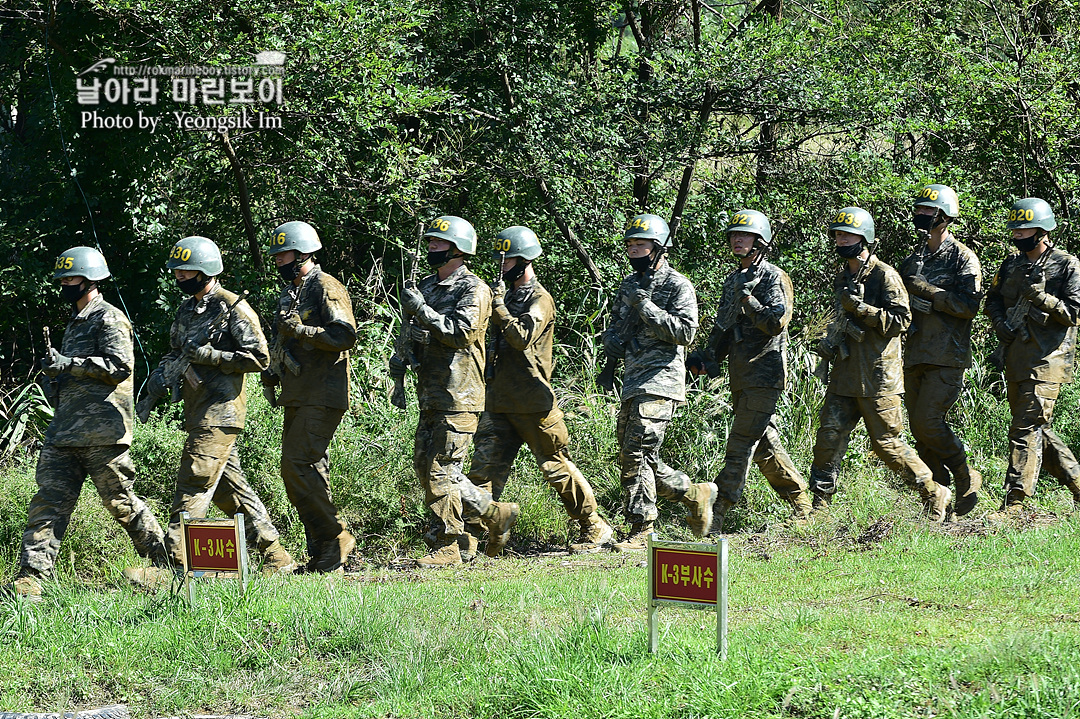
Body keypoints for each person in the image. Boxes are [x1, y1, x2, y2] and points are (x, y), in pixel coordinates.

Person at [5, 248, 169, 600]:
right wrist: (54, 374)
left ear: (90, 280)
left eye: (71, 279)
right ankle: (31, 579)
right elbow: (71, 374)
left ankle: (167, 564)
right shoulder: (75, 322)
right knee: (48, 503)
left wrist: (68, 364)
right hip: (65, 433)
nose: (65, 284)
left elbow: (119, 366)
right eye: (62, 279)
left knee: (121, 502)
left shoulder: (109, 318)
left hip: (102, 433)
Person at [131, 236, 295, 584]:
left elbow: (259, 358)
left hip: (220, 413)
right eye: (176, 272)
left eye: (185, 271)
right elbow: (177, 353)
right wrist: (155, 386)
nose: (179, 277)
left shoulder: (232, 307)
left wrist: (212, 356)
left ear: (205, 270)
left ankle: (173, 565)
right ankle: (276, 555)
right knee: (226, 489)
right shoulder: (188, 309)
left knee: (193, 482)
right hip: (198, 412)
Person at [465, 226, 614, 556]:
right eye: (499, 260)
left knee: (555, 466)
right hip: (498, 399)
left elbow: (521, 337)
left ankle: (594, 526)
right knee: (483, 469)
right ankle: (475, 536)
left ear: (525, 261)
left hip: (533, 403)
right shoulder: (503, 296)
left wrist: (499, 305)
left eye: (508, 260)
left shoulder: (539, 299)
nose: (501, 266)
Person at [810, 207, 951, 521]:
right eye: (837, 234)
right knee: (828, 439)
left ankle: (933, 490)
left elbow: (902, 320)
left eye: (848, 235)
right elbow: (838, 316)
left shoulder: (884, 275)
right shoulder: (844, 275)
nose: (841, 239)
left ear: (864, 239)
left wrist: (862, 309)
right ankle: (818, 507)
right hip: (845, 374)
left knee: (887, 444)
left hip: (878, 376)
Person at [396, 215, 520, 567]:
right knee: (427, 467)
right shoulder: (427, 286)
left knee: (440, 468)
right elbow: (416, 331)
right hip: (430, 391)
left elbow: (460, 333)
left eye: (438, 243)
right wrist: (410, 348)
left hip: (459, 393)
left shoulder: (474, 290)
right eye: (431, 242)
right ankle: (494, 514)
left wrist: (423, 311)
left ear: (457, 250)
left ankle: (448, 546)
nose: (431, 248)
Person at [687, 210, 810, 532]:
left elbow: (774, 324)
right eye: (734, 236)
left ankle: (718, 509)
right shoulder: (733, 279)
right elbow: (723, 327)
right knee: (764, 444)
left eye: (745, 235)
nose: (737, 240)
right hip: (740, 374)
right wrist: (706, 359)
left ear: (761, 241)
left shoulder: (773, 277)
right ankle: (802, 504)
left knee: (741, 441)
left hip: (765, 373)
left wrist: (749, 300)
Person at [600, 213, 715, 551]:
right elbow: (615, 325)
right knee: (637, 455)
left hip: (662, 380)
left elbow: (685, 332)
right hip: (633, 380)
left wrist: (647, 308)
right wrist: (611, 344)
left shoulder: (676, 285)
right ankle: (693, 493)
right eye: (631, 244)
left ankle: (642, 528)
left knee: (637, 451)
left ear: (659, 247)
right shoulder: (629, 284)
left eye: (641, 243)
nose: (634, 249)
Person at [262, 221, 357, 573]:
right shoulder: (291, 292)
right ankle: (325, 551)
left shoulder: (325, 286)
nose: (276, 261)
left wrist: (303, 331)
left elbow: (345, 335)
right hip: (298, 392)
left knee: (296, 465)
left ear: (301, 253)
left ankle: (337, 536)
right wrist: (272, 374)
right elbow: (283, 340)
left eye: (282, 254)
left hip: (323, 392)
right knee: (307, 471)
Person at [984, 198, 1080, 516]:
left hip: (1049, 360)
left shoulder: (1067, 265)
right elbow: (993, 300)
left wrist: (1041, 297)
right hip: (1016, 358)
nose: (1018, 235)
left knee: (1025, 426)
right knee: (1036, 428)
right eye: (1015, 229)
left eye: (1025, 229)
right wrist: (1000, 324)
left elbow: (1074, 313)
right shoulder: (1011, 264)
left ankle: (1015, 502)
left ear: (1042, 230)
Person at [898, 184, 983, 516]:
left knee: (928, 422)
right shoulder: (913, 259)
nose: (919, 216)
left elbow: (969, 306)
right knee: (919, 432)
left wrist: (930, 291)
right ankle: (937, 497)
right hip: (915, 352)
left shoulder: (962, 257)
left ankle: (965, 473)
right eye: (918, 211)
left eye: (927, 212)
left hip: (948, 354)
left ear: (944, 216)